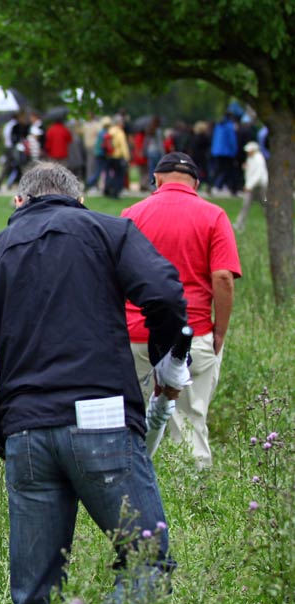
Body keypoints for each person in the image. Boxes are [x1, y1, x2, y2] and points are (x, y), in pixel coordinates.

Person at [0, 163, 188, 604]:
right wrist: (169, 358)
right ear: (78, 200)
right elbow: (164, 294)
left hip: (27, 433)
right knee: (147, 558)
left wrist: (3, 428)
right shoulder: (106, 230)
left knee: (33, 595)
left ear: (19, 203)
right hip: (101, 420)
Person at [123, 152, 242, 469]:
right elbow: (222, 277)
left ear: (157, 180)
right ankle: (195, 498)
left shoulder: (132, 214)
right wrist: (220, 331)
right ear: (197, 184)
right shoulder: (214, 215)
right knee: (188, 421)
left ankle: (133, 490)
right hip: (193, 332)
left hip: (136, 333)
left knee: (133, 422)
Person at [234, 140, 267, 233]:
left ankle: (271, 221)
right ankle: (239, 224)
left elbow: (258, 174)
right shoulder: (250, 158)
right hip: (251, 187)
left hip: (260, 187)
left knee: (265, 204)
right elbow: (250, 173)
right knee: (245, 205)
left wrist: (249, 185)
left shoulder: (258, 159)